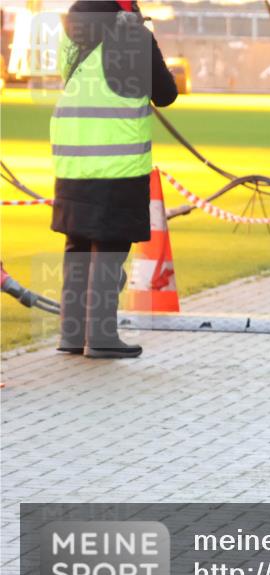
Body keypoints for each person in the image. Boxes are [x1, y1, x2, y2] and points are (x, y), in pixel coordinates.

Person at [52, 0, 177, 359]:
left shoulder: (70, 33)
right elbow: (166, 94)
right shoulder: (133, 34)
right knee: (109, 246)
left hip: (72, 159)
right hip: (117, 160)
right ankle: (102, 338)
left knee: (77, 246)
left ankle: (72, 336)